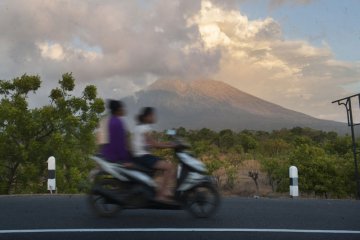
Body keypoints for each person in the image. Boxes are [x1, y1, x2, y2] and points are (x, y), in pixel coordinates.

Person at [132, 107, 176, 202]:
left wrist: (167, 144)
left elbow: (152, 143)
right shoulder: (144, 128)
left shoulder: (139, 126)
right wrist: (170, 146)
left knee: (162, 162)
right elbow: (154, 144)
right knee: (169, 167)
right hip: (143, 157)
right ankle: (161, 195)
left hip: (139, 156)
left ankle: (161, 190)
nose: (154, 117)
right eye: (153, 115)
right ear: (147, 117)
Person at [101, 100, 131, 165]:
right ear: (119, 110)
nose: (124, 110)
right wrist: (126, 158)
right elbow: (121, 143)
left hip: (106, 154)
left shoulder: (108, 120)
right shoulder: (118, 122)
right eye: (122, 108)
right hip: (116, 157)